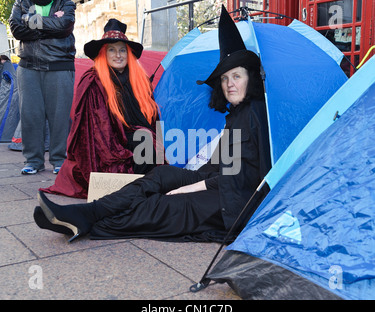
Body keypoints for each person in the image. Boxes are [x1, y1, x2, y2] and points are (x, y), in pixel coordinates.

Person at [33, 6, 272, 243]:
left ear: (250, 78)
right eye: (224, 78)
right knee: (162, 175)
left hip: (233, 202)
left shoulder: (253, 115)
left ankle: (88, 222)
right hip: (218, 180)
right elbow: (223, 165)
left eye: (236, 76)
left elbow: (240, 178)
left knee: (165, 204)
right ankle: (89, 211)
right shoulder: (238, 112)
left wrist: (189, 188)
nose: (229, 84)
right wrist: (186, 178)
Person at [39, 19, 163, 199]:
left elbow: (154, 119)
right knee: (143, 140)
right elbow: (94, 129)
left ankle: (144, 186)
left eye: (122, 50)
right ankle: (132, 191)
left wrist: (158, 151)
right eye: (111, 50)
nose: (118, 55)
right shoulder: (93, 80)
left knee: (147, 141)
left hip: (138, 137)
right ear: (103, 54)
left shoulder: (141, 81)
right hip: (105, 143)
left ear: (128, 54)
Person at [9, 0, 76, 175]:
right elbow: (16, 30)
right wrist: (50, 24)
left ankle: (59, 160)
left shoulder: (66, 3)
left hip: (59, 65)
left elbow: (65, 26)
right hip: (28, 66)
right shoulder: (21, 3)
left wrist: (30, 21)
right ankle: (33, 161)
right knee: (30, 115)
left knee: (59, 116)